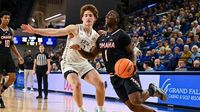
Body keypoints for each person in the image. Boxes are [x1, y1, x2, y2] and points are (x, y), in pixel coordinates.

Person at [70, 10, 167, 112]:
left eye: (111, 14)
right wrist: (80, 50)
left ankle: (152, 90)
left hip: (126, 72)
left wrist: (132, 67)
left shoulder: (122, 35)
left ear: (117, 20)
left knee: (136, 100)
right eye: (107, 14)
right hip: (113, 77)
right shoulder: (101, 38)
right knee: (132, 106)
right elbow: (91, 55)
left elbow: (131, 53)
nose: (108, 15)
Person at [21, 4, 105, 112]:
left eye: (91, 15)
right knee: (77, 84)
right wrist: (35, 30)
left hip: (83, 63)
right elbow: (54, 32)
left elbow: (95, 54)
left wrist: (106, 37)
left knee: (101, 84)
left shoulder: (95, 36)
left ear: (95, 18)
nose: (88, 17)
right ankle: (81, 109)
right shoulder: (74, 28)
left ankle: (100, 109)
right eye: (86, 15)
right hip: (68, 63)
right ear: (82, 18)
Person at [0, 11, 24, 108]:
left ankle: (1, 90)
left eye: (8, 18)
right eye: (5, 18)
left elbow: (12, 45)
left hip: (8, 55)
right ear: (1, 18)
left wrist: (19, 56)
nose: (7, 19)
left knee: (13, 77)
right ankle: (0, 99)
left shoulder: (11, 30)